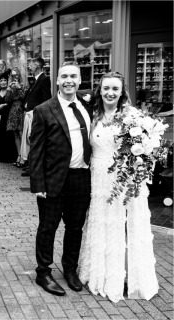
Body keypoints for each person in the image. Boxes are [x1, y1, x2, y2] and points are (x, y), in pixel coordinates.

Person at [78, 72, 159, 303]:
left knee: (124, 224)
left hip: (123, 178)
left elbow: (148, 144)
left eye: (115, 89)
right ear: (99, 90)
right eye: (106, 89)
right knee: (101, 221)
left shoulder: (132, 116)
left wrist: (141, 156)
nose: (110, 93)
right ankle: (101, 274)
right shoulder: (93, 115)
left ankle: (129, 276)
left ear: (122, 92)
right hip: (98, 177)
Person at [29, 61, 92, 296]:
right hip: (54, 180)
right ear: (56, 80)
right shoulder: (44, 109)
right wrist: (37, 184)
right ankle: (43, 272)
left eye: (73, 76)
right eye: (64, 76)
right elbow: (36, 150)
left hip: (81, 177)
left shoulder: (87, 105)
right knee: (48, 227)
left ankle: (70, 270)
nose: (69, 80)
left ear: (80, 80)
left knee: (75, 227)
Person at [21, 56, 52, 176]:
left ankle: (33, 167)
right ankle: (30, 164)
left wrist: (39, 114)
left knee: (34, 141)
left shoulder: (44, 79)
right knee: (30, 140)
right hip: (30, 114)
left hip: (35, 115)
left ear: (38, 66)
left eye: (31, 65)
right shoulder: (36, 79)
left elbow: (46, 98)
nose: (29, 67)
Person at [7, 68, 29, 168]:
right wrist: (10, 90)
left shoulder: (24, 85)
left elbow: (25, 97)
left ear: (19, 75)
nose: (14, 77)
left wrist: (19, 87)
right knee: (15, 134)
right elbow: (7, 100)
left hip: (21, 110)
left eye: (15, 75)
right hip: (13, 110)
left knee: (21, 134)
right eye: (12, 75)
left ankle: (24, 158)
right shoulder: (10, 86)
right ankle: (19, 156)